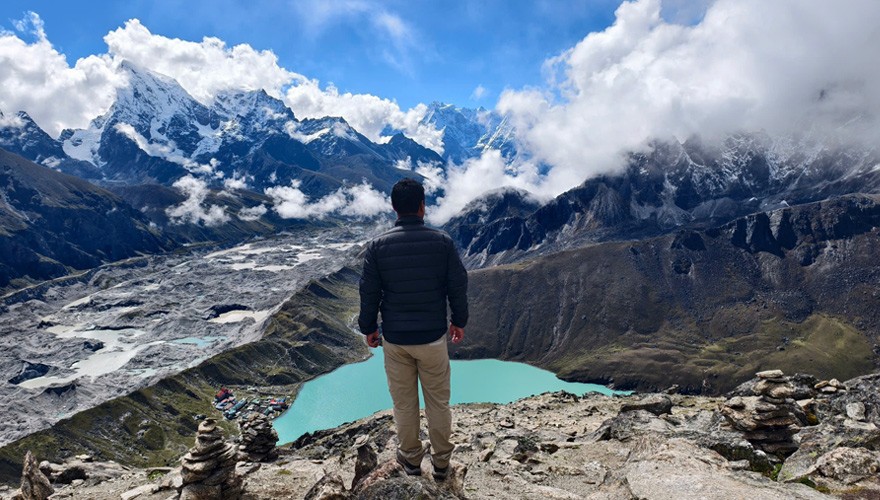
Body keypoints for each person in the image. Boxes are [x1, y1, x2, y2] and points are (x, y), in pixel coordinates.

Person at [358, 177, 468, 480]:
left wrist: (368, 327)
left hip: (396, 340)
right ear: (422, 206)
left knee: (404, 404)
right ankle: (442, 464)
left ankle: (410, 462)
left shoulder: (378, 246)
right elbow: (457, 286)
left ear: (394, 208)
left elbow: (369, 292)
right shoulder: (442, 242)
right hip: (432, 338)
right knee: (438, 403)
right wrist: (458, 321)